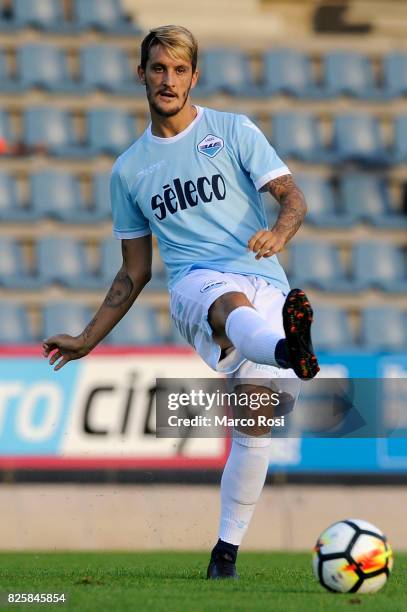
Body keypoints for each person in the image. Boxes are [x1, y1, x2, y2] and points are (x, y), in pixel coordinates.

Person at [42, 25, 319, 579]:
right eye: (158, 69)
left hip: (267, 279)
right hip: (196, 284)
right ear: (140, 73)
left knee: (255, 419)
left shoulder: (233, 130)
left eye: (179, 69)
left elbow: (291, 196)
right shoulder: (129, 169)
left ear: (195, 76)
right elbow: (134, 272)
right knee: (227, 300)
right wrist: (87, 338)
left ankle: (225, 553)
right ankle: (289, 350)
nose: (168, 80)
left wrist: (281, 234)